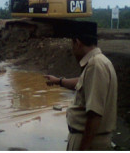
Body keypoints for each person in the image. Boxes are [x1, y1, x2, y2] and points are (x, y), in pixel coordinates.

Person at [44, 21, 118, 151]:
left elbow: (94, 115)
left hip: (90, 142)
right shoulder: (101, 62)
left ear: (77, 43)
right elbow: (83, 83)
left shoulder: (95, 66)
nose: (73, 51)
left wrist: (83, 148)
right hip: (93, 140)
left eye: (72, 46)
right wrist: (59, 81)